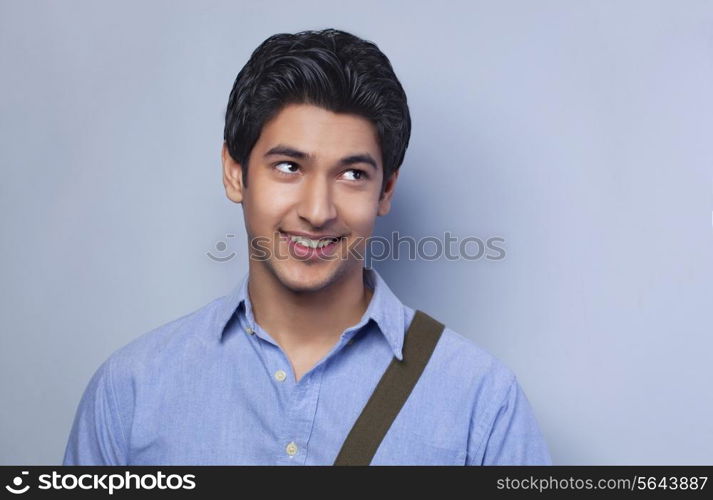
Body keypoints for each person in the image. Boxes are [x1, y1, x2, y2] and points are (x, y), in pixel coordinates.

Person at [62, 28, 552, 466]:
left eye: (353, 174)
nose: (318, 211)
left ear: (385, 192)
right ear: (235, 173)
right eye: (289, 167)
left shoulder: (482, 402)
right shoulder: (132, 390)